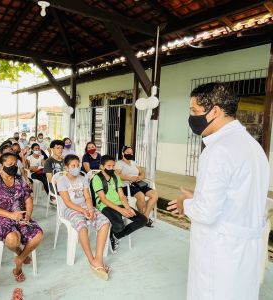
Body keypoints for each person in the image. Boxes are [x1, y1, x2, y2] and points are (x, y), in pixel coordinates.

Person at [167, 82, 270, 300]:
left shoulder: (218, 150)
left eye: (195, 111)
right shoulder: (253, 147)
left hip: (221, 251)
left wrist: (186, 203)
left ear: (215, 110)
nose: (191, 118)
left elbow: (206, 212)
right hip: (246, 248)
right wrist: (198, 199)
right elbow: (239, 198)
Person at [0, 153, 43, 283]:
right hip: (0, 218)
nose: (13, 167)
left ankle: (19, 260)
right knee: (13, 239)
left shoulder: (20, 179)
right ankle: (20, 251)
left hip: (21, 215)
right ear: (1, 165)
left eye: (15, 164)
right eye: (9, 164)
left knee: (38, 234)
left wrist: (28, 214)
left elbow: (28, 199)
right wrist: (10, 215)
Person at [57, 155, 110, 280]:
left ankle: (98, 258)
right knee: (82, 226)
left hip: (86, 207)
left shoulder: (83, 178)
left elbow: (87, 197)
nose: (76, 168)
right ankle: (91, 259)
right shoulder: (62, 181)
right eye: (73, 166)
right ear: (66, 167)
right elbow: (67, 202)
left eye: (78, 165)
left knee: (105, 222)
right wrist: (83, 211)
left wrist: (90, 209)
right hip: (70, 209)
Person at [91, 155, 147, 254]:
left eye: (113, 166)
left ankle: (115, 236)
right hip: (105, 206)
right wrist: (121, 210)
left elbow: (121, 196)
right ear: (101, 166)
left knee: (143, 220)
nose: (112, 168)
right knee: (119, 225)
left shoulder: (116, 177)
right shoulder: (97, 179)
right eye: (109, 166)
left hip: (119, 204)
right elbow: (103, 199)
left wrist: (127, 208)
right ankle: (116, 232)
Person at [115, 146, 158, 227]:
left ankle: (144, 217)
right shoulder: (119, 163)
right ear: (123, 153)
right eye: (127, 152)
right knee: (141, 196)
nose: (130, 154)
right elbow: (118, 175)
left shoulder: (134, 162)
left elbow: (142, 172)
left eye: (131, 153)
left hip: (138, 183)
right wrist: (130, 178)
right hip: (127, 185)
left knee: (154, 194)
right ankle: (143, 217)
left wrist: (140, 177)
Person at [44, 140, 65, 205]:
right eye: (58, 148)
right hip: (55, 187)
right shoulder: (48, 161)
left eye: (61, 148)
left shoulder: (65, 160)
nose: (60, 150)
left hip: (66, 185)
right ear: (52, 149)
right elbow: (51, 180)